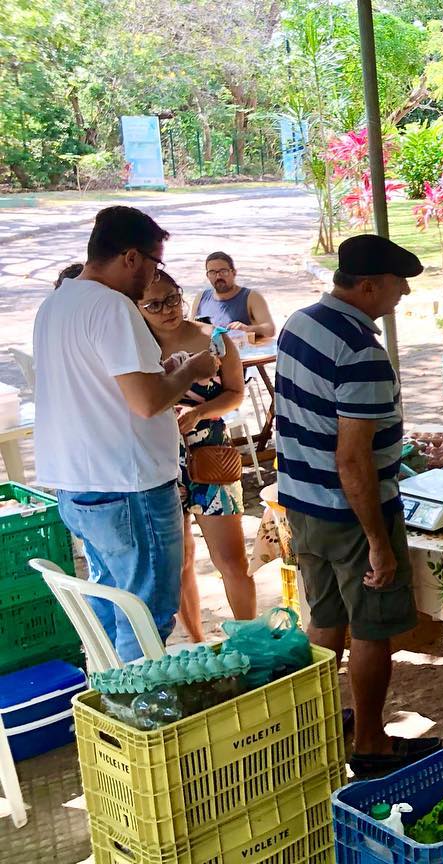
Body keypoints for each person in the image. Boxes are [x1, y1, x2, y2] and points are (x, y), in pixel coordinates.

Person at [274, 234, 439, 775]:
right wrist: (377, 541)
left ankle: (317, 733)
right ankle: (370, 743)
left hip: (302, 502)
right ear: (368, 286)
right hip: (350, 512)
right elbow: (353, 460)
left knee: (323, 618)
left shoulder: (300, 322)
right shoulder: (362, 352)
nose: (403, 294)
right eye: (396, 285)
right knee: (371, 627)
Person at [33, 206, 219, 661]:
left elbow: (106, 388)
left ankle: (113, 696)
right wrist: (192, 368)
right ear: (131, 257)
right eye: (156, 262)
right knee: (145, 613)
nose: (155, 275)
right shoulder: (112, 305)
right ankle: (142, 714)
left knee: (111, 598)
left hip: (79, 483)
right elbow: (146, 401)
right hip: (128, 485)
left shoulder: (56, 303)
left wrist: (165, 373)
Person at [135, 270, 253, 641]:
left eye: (172, 298)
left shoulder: (214, 339)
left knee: (231, 560)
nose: (167, 309)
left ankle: (250, 642)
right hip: (160, 462)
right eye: (154, 304)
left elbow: (235, 393)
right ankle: (199, 644)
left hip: (211, 455)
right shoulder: (136, 349)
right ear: (138, 308)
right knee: (181, 562)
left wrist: (200, 412)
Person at [193, 252, 276, 340]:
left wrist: (247, 329)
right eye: (212, 272)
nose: (218, 277)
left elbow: (270, 329)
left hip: (239, 351)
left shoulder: (251, 297)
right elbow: (189, 329)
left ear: (234, 272)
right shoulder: (201, 298)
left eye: (223, 271)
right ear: (207, 275)